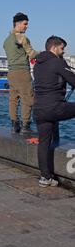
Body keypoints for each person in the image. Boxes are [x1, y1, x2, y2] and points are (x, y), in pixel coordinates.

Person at [33, 36, 75, 187]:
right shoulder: (58, 62)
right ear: (54, 48)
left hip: (38, 110)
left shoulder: (37, 65)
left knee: (43, 142)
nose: (64, 51)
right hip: (54, 108)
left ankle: (45, 177)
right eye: (62, 48)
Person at [3, 12, 39, 133]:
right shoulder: (22, 38)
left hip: (11, 73)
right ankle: (26, 126)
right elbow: (32, 54)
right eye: (25, 24)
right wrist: (46, 53)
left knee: (13, 98)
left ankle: (14, 125)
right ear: (17, 24)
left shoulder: (7, 40)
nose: (27, 26)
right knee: (27, 98)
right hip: (22, 72)